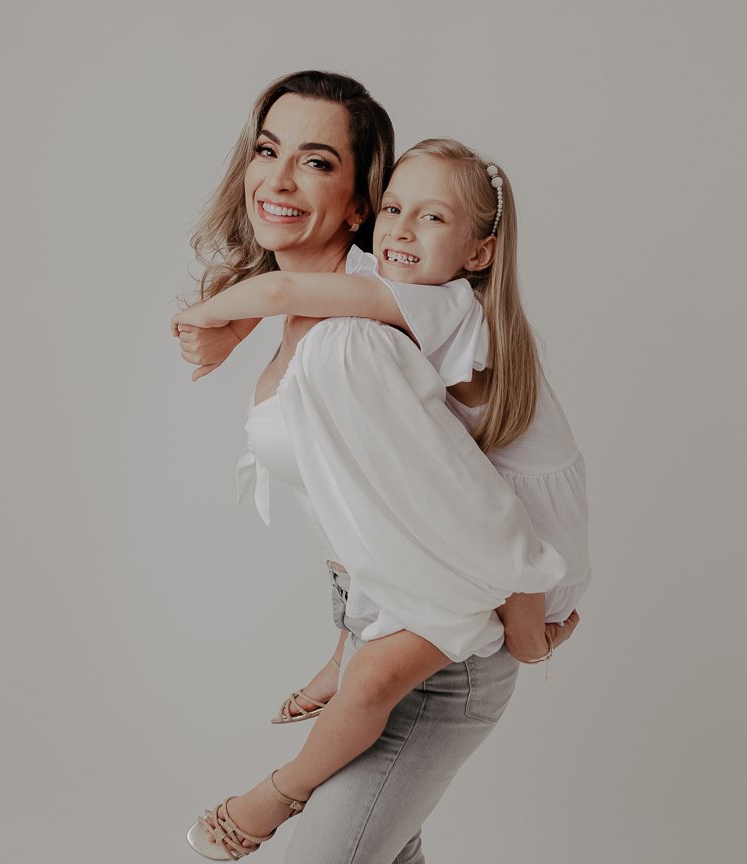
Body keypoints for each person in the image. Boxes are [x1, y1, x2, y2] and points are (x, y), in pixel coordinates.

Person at [174, 72, 584, 864]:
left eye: (316, 161)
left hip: (444, 648)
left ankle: (268, 801)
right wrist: (346, 640)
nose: (278, 179)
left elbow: (481, 511)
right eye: (267, 150)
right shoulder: (336, 310)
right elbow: (374, 505)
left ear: (358, 200)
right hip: (395, 619)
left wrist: (528, 621)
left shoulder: (356, 336)